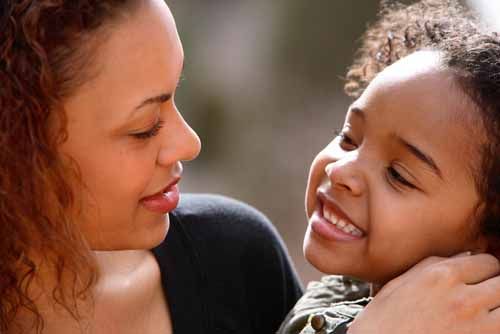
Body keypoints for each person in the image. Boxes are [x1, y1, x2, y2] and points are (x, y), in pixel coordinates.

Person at [1, 1, 499, 334]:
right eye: (144, 126)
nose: (189, 142)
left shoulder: (236, 262)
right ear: (19, 145)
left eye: (400, 174)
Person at [278, 0, 500, 333]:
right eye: (348, 138)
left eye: (398, 176)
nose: (339, 171)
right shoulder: (334, 298)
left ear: (488, 237)